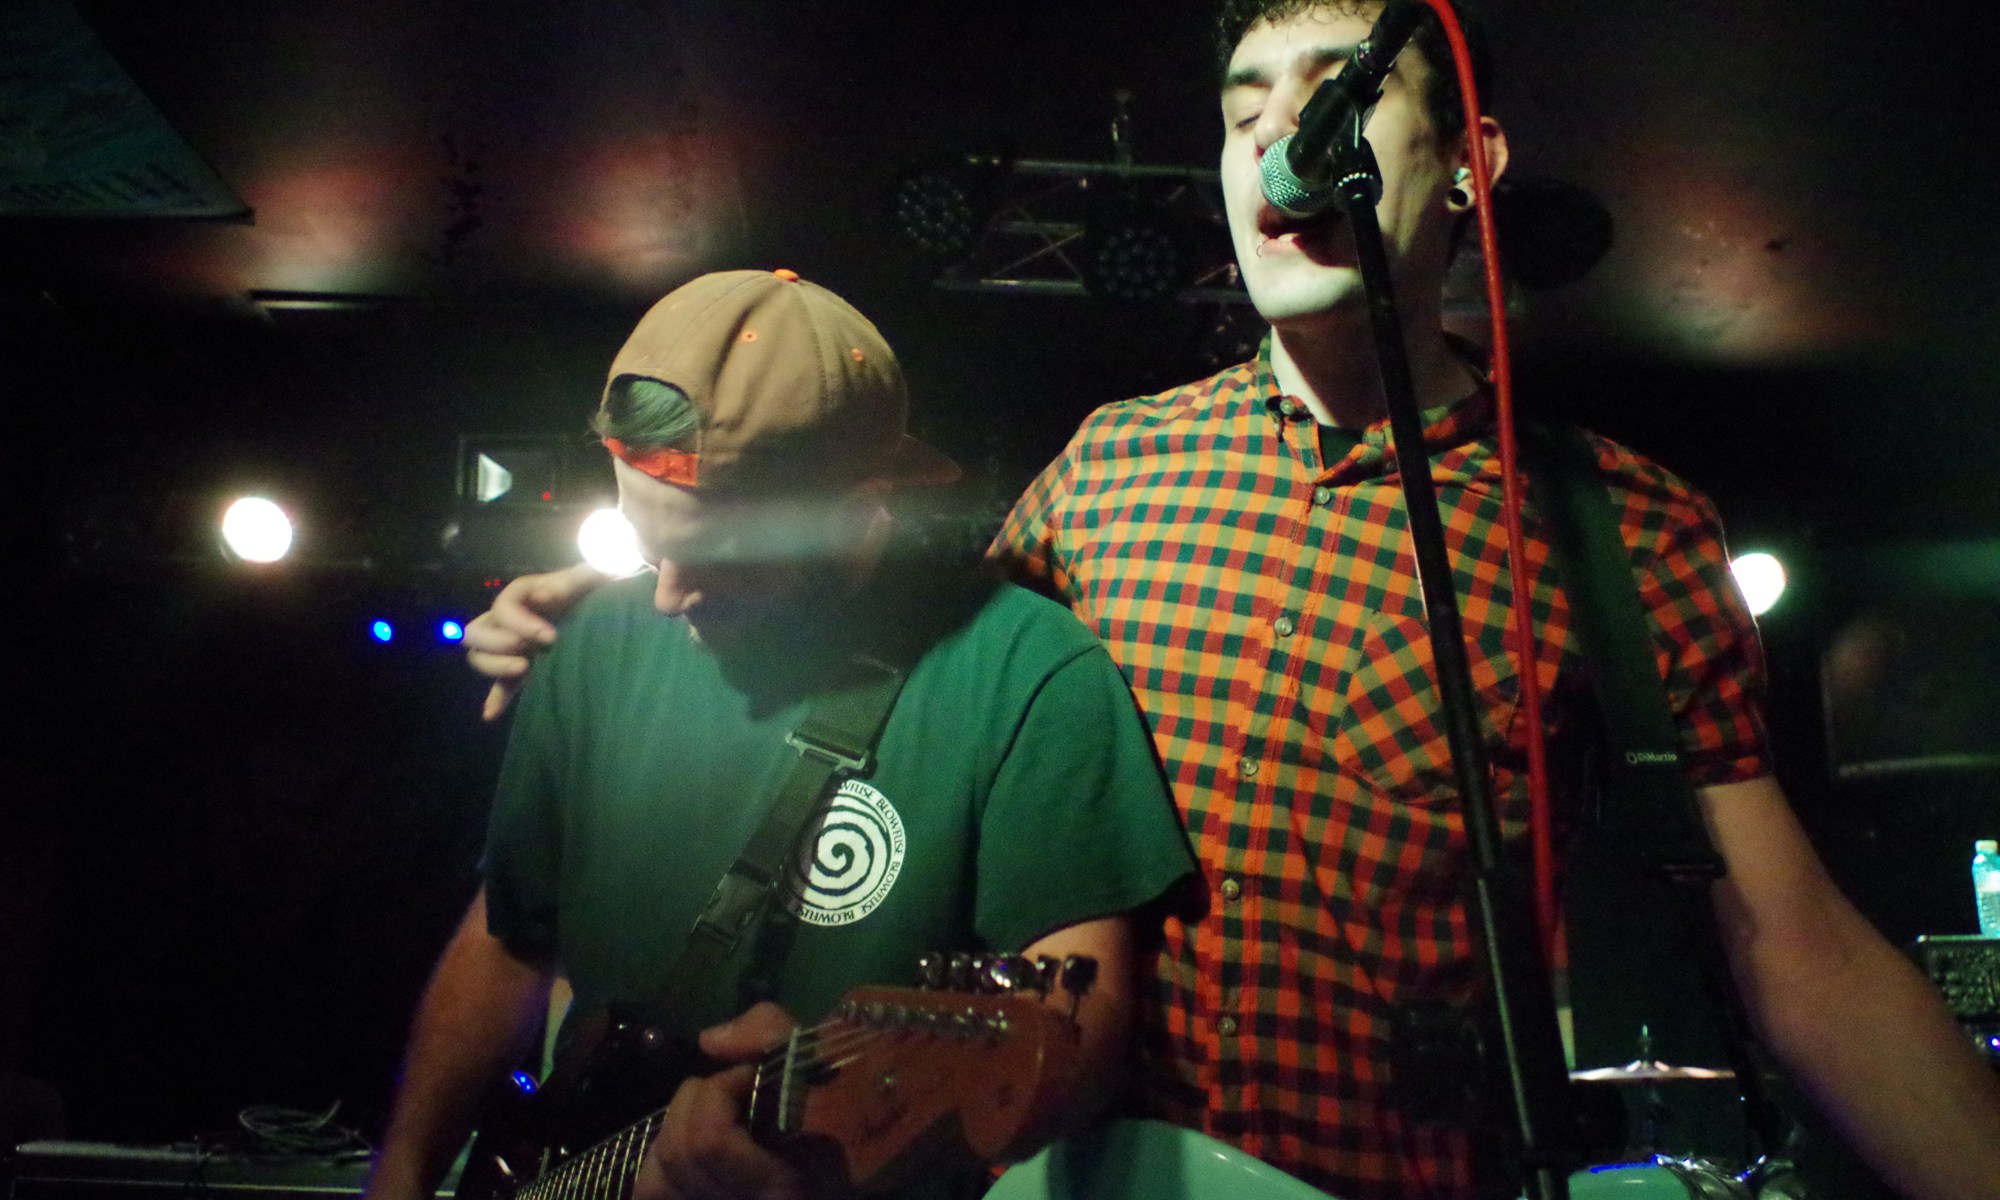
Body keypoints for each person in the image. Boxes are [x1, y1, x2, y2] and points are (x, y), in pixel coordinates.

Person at [458, 5, 2000, 1199]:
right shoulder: (1105, 471)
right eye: (1245, 112)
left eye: (1332, 100)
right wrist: (635, 617)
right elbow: (879, 686)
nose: (1280, 141)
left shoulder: (1619, 530)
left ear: (1470, 160)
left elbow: (1795, 944)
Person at [365, 269, 1197, 1200]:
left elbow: (1075, 1021)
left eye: (720, 554)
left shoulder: (1024, 670)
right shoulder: (595, 636)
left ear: (858, 504)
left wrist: (839, 1134)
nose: (668, 596)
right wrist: (403, 1171)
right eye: (649, 546)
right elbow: (509, 940)